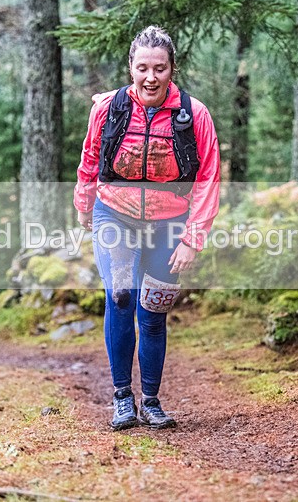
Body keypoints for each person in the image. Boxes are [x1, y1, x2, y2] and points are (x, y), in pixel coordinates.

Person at [74, 26, 220, 430]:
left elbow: (208, 177)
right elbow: (89, 159)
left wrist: (193, 238)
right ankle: (123, 398)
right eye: (143, 68)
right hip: (114, 214)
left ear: (172, 69)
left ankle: (151, 401)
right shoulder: (108, 109)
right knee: (120, 295)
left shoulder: (195, 115)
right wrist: (84, 206)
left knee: (153, 311)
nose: (150, 77)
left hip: (168, 221)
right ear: (131, 68)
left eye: (159, 68)